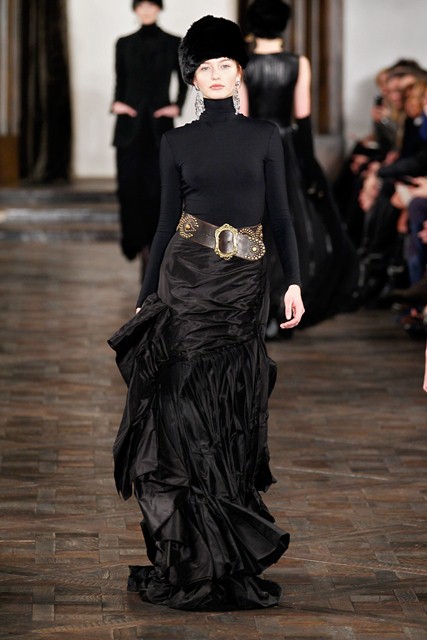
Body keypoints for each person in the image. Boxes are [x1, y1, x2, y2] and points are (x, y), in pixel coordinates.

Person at [108, 15, 304, 611]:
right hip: (187, 282)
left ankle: (226, 549)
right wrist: (147, 296)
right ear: (192, 78)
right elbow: (164, 225)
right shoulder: (176, 143)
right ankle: (194, 550)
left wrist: (293, 283)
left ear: (239, 72)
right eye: (205, 68)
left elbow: (283, 217)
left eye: (225, 65)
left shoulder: (266, 136)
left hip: (244, 285)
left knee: (230, 407)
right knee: (184, 408)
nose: (216, 75)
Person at [242, 0, 359, 332]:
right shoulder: (298, 63)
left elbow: (244, 118)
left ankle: (260, 311)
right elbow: (303, 119)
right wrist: (309, 166)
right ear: (284, 24)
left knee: (257, 226)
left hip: (255, 148)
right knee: (288, 225)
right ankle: (283, 309)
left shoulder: (242, 64)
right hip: (286, 148)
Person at [111, 0, 187, 275]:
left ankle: (156, 248)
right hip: (128, 127)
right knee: (129, 188)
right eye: (141, 5)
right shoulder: (123, 43)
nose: (146, 10)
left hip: (159, 126)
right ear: (135, 9)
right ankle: (138, 246)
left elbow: (184, 78)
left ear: (159, 8)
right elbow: (120, 81)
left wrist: (177, 105)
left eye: (151, 5)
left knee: (158, 189)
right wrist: (116, 103)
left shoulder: (173, 42)